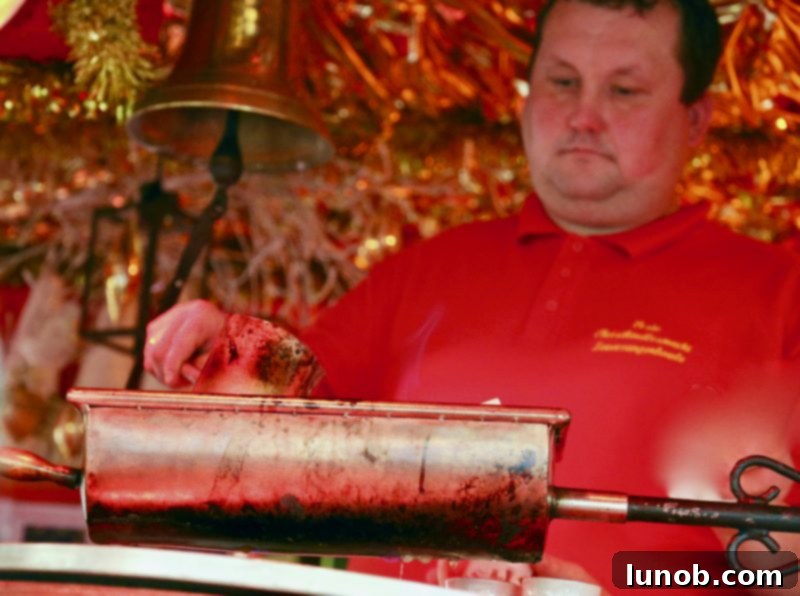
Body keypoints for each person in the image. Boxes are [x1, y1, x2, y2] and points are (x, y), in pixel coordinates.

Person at [145, 0, 800, 592]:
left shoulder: (779, 296)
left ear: (695, 120)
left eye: (625, 90)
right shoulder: (431, 267)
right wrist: (221, 348)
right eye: (562, 82)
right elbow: (278, 438)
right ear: (525, 96)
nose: (583, 116)